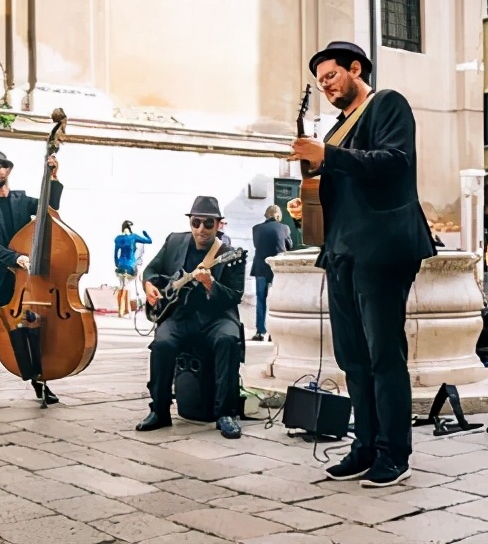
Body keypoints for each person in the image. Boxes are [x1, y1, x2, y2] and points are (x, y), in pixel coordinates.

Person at [286, 40, 434, 488]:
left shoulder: (386, 104)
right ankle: (365, 447)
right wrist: (311, 205)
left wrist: (327, 156)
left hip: (383, 247)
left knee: (384, 354)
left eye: (331, 76)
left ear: (355, 69)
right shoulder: (335, 129)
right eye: (320, 82)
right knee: (352, 357)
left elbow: (395, 162)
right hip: (342, 251)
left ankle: (394, 453)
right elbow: (342, 185)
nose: (326, 87)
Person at [136, 196, 247, 440]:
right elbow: (152, 270)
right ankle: (159, 411)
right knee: (162, 344)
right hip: (180, 314)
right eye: (196, 222)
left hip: (216, 316)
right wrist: (149, 286)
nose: (201, 229)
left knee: (228, 340)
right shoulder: (174, 241)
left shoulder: (230, 254)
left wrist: (211, 285)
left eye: (208, 223)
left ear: (219, 224)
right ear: (190, 222)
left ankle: (225, 414)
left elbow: (235, 295)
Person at [0, 149, 62, 410]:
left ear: (7, 170)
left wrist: (53, 177)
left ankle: (39, 383)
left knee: (29, 331)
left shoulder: (22, 200)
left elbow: (50, 208)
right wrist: (15, 258)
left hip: (22, 282)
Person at [250, 205, 293, 341]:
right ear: (278, 215)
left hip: (261, 267)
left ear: (266, 215)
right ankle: (274, 332)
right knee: (277, 300)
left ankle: (260, 332)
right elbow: (289, 246)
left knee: (260, 299)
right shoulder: (284, 228)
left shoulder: (256, 228)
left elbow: (256, 245)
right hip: (277, 268)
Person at [113, 221, 152, 318]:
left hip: (121, 266)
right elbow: (149, 241)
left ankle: (125, 310)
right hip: (130, 266)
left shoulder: (118, 239)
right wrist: (145, 234)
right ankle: (122, 311)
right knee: (125, 287)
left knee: (122, 286)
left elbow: (115, 254)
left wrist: (117, 264)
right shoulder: (133, 237)